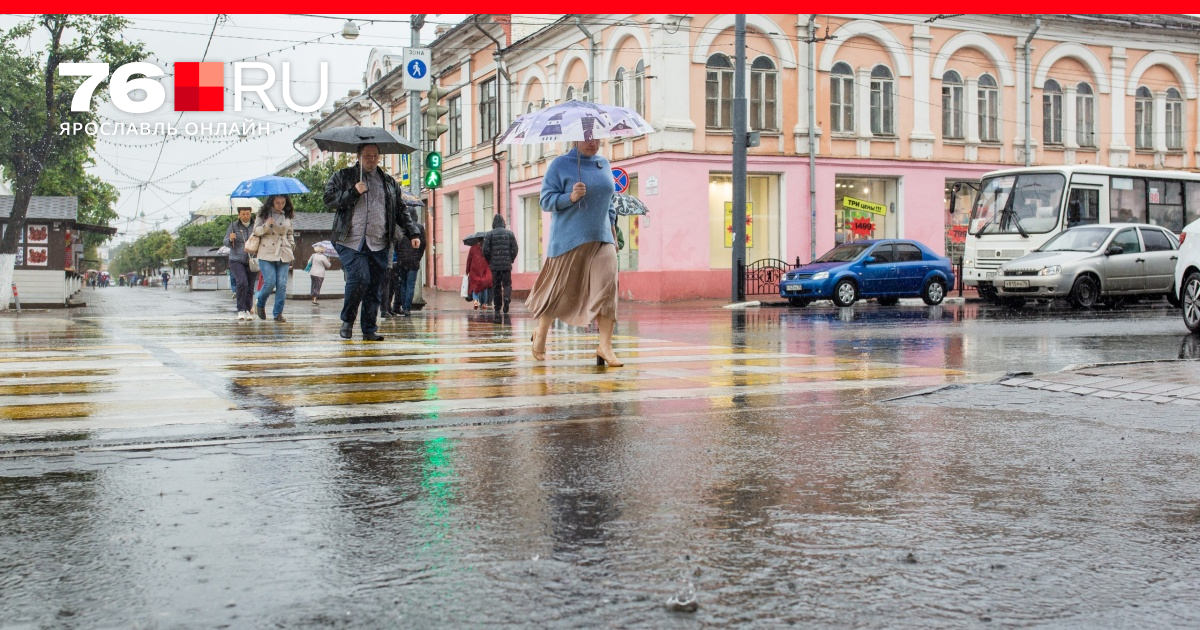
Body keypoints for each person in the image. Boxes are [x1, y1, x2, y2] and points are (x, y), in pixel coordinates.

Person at [527, 138, 622, 367]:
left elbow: (609, 202)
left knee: (607, 289)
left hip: (602, 238)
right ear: (576, 139)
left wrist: (612, 231)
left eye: (598, 138)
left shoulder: (604, 164)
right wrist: (570, 197)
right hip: (568, 239)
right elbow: (545, 201)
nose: (594, 142)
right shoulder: (560, 165)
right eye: (589, 138)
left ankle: (605, 346)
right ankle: (541, 334)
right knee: (558, 291)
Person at [324, 143, 421, 341]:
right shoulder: (343, 176)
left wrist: (413, 234)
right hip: (350, 240)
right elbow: (328, 199)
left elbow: (401, 210)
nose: (371, 159)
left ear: (380, 157)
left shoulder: (388, 182)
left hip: (379, 241)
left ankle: (369, 329)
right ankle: (347, 321)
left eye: (375, 156)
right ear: (358, 156)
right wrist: (352, 192)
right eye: (367, 155)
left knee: (375, 285)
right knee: (360, 278)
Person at [253, 194, 295, 322]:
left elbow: (290, 232)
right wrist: (266, 225)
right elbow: (256, 231)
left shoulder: (287, 214)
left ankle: (278, 313)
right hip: (267, 251)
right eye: (277, 202)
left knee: (282, 284)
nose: (280, 205)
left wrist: (291, 244)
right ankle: (260, 304)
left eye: (283, 202)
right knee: (270, 282)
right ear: (272, 202)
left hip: (284, 251)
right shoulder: (263, 214)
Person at [224, 206, 258, 320]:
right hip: (236, 259)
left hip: (252, 259)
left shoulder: (255, 226)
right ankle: (240, 309)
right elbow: (225, 242)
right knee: (242, 282)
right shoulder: (233, 226)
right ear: (239, 215)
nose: (245, 216)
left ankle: (248, 309)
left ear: (250, 213)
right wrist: (230, 238)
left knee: (250, 285)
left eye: (247, 213)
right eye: (243, 214)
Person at [482, 213, 518, 313]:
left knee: (496, 286)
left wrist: (490, 260)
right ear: (503, 223)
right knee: (507, 284)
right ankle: (506, 298)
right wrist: (511, 259)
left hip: (495, 266)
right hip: (506, 266)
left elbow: (485, 250)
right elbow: (515, 248)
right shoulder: (510, 234)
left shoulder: (489, 235)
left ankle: (497, 306)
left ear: (493, 223)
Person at [392, 212, 426, 317]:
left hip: (402, 261)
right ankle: (407, 308)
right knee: (410, 285)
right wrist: (418, 257)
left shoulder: (401, 227)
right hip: (413, 261)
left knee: (403, 284)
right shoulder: (419, 228)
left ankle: (403, 306)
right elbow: (423, 244)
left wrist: (400, 256)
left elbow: (396, 244)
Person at [465, 241, 492, 309]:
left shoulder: (473, 248)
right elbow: (489, 259)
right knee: (484, 286)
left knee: (475, 286)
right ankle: (484, 304)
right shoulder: (486, 247)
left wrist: (467, 270)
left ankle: (476, 300)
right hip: (484, 269)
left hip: (474, 269)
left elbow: (469, 260)